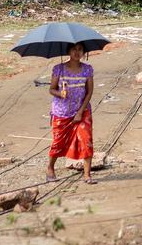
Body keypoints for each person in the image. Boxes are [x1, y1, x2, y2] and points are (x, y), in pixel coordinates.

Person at [47, 44, 96, 184]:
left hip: (82, 110)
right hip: (61, 112)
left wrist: (80, 112)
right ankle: (50, 167)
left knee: (86, 141)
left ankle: (87, 175)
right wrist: (60, 93)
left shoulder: (87, 69)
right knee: (58, 143)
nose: (77, 52)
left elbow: (89, 92)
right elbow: (51, 89)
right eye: (74, 49)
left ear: (84, 52)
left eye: (80, 49)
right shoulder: (59, 69)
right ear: (68, 51)